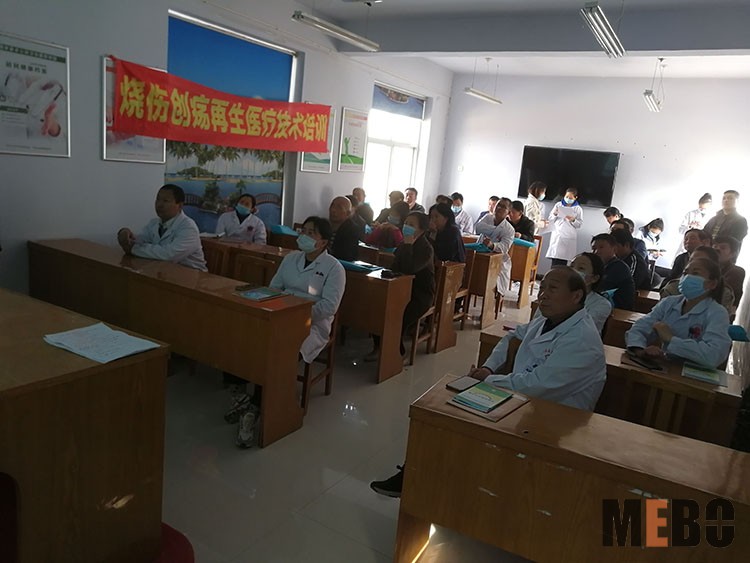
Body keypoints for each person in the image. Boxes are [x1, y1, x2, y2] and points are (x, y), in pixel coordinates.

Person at [369, 267, 607, 498]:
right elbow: (511, 336)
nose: (543, 295)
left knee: (462, 415)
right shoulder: (549, 319)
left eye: (552, 289)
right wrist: (488, 367)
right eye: (542, 287)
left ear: (576, 296)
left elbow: (538, 386)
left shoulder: (582, 339)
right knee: (445, 407)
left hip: (556, 420)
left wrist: (488, 380)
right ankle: (416, 474)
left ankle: (427, 479)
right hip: (526, 402)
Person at [233, 217, 346, 448]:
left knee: (281, 352)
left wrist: (296, 314)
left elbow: (328, 307)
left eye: (311, 233)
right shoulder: (291, 258)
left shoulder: (334, 268)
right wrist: (279, 310)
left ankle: (255, 407)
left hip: (312, 324)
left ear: (323, 242)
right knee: (248, 337)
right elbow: (274, 289)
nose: (304, 236)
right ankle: (248, 396)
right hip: (280, 316)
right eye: (303, 231)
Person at [626, 257, 732, 368]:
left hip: (693, 375)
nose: (687, 277)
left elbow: (713, 355)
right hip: (666, 368)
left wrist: (671, 339)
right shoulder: (669, 302)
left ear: (712, 284)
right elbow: (640, 327)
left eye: (695, 273)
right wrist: (640, 350)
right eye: (685, 273)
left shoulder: (718, 313)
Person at [365, 212, 435, 362]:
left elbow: (410, 269)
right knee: (378, 308)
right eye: (406, 223)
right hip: (399, 290)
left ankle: (397, 351)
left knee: (399, 316)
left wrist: (409, 246)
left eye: (411, 225)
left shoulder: (426, 248)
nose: (406, 227)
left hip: (419, 295)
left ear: (421, 230)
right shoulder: (403, 244)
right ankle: (378, 347)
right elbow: (395, 266)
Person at [117, 184, 207, 271]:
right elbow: (139, 241)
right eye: (158, 199)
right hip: (165, 272)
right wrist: (125, 234)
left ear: (180, 205)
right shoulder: (154, 223)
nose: (159, 204)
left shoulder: (188, 227)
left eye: (165, 201)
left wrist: (133, 249)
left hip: (192, 276)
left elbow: (169, 255)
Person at [659, 246, 735, 315]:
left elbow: (720, 322)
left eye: (701, 261)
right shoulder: (672, 288)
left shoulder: (724, 294)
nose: (694, 263)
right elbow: (658, 317)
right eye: (691, 260)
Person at [476, 199, 514, 300]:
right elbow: (478, 228)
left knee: (496, 280)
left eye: (503, 207)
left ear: (508, 212)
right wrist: (497, 231)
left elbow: (504, 247)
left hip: (499, 260)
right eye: (498, 205)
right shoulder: (487, 217)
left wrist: (492, 245)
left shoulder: (510, 229)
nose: (499, 208)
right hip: (480, 254)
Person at [591, 233, 635, 310]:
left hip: (618, 310)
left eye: (601, 247)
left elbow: (598, 289)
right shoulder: (600, 266)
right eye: (593, 248)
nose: (596, 251)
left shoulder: (619, 267)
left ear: (614, 249)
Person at [546, 188, 583, 267]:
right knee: (554, 260)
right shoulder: (558, 205)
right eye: (566, 197)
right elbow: (550, 218)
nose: (568, 199)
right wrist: (555, 214)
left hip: (568, 236)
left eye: (570, 198)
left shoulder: (578, 209)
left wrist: (573, 220)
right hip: (557, 234)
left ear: (575, 198)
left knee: (563, 262)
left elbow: (579, 224)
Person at [713, 236, 746, 309]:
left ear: (733, 254)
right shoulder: (704, 266)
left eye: (723, 248)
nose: (717, 249)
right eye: (715, 246)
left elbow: (721, 294)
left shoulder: (736, 271)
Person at [328, 196, 362, 261]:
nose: (333, 210)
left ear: (348, 213)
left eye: (339, 208)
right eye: (332, 205)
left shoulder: (352, 230)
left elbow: (345, 255)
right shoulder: (325, 225)